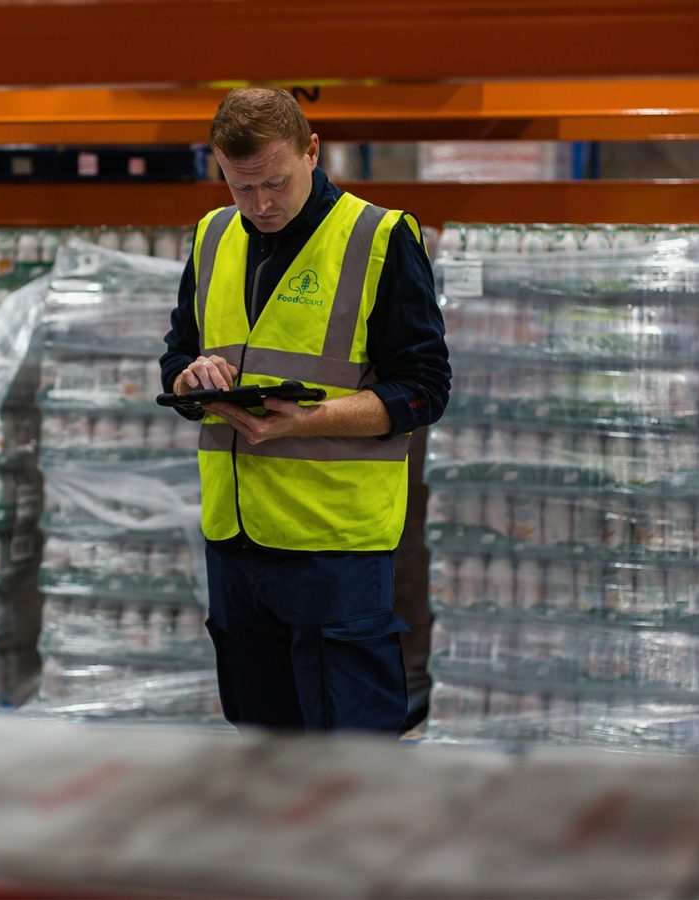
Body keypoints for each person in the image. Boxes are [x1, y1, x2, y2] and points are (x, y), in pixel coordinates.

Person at [160, 87, 451, 734]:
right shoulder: (212, 237)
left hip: (334, 549)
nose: (261, 205)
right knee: (262, 746)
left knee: (346, 752)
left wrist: (308, 421)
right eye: (241, 188)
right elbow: (176, 354)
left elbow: (425, 389)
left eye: (276, 183)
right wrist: (191, 378)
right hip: (235, 544)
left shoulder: (377, 237)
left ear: (312, 151)